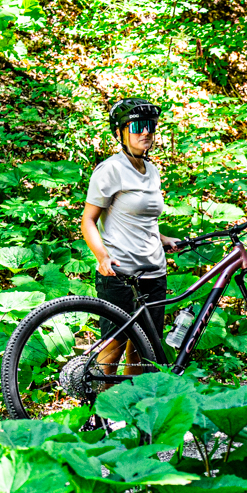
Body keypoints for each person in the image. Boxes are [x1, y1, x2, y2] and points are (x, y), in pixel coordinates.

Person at [80, 97, 175, 371]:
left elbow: (143, 218)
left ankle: (132, 411)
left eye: (151, 126)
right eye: (137, 126)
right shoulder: (110, 170)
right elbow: (88, 221)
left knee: (143, 351)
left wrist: (162, 238)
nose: (146, 132)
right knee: (113, 347)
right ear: (120, 132)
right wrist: (102, 257)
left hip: (154, 273)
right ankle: (99, 411)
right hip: (120, 274)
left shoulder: (152, 170)